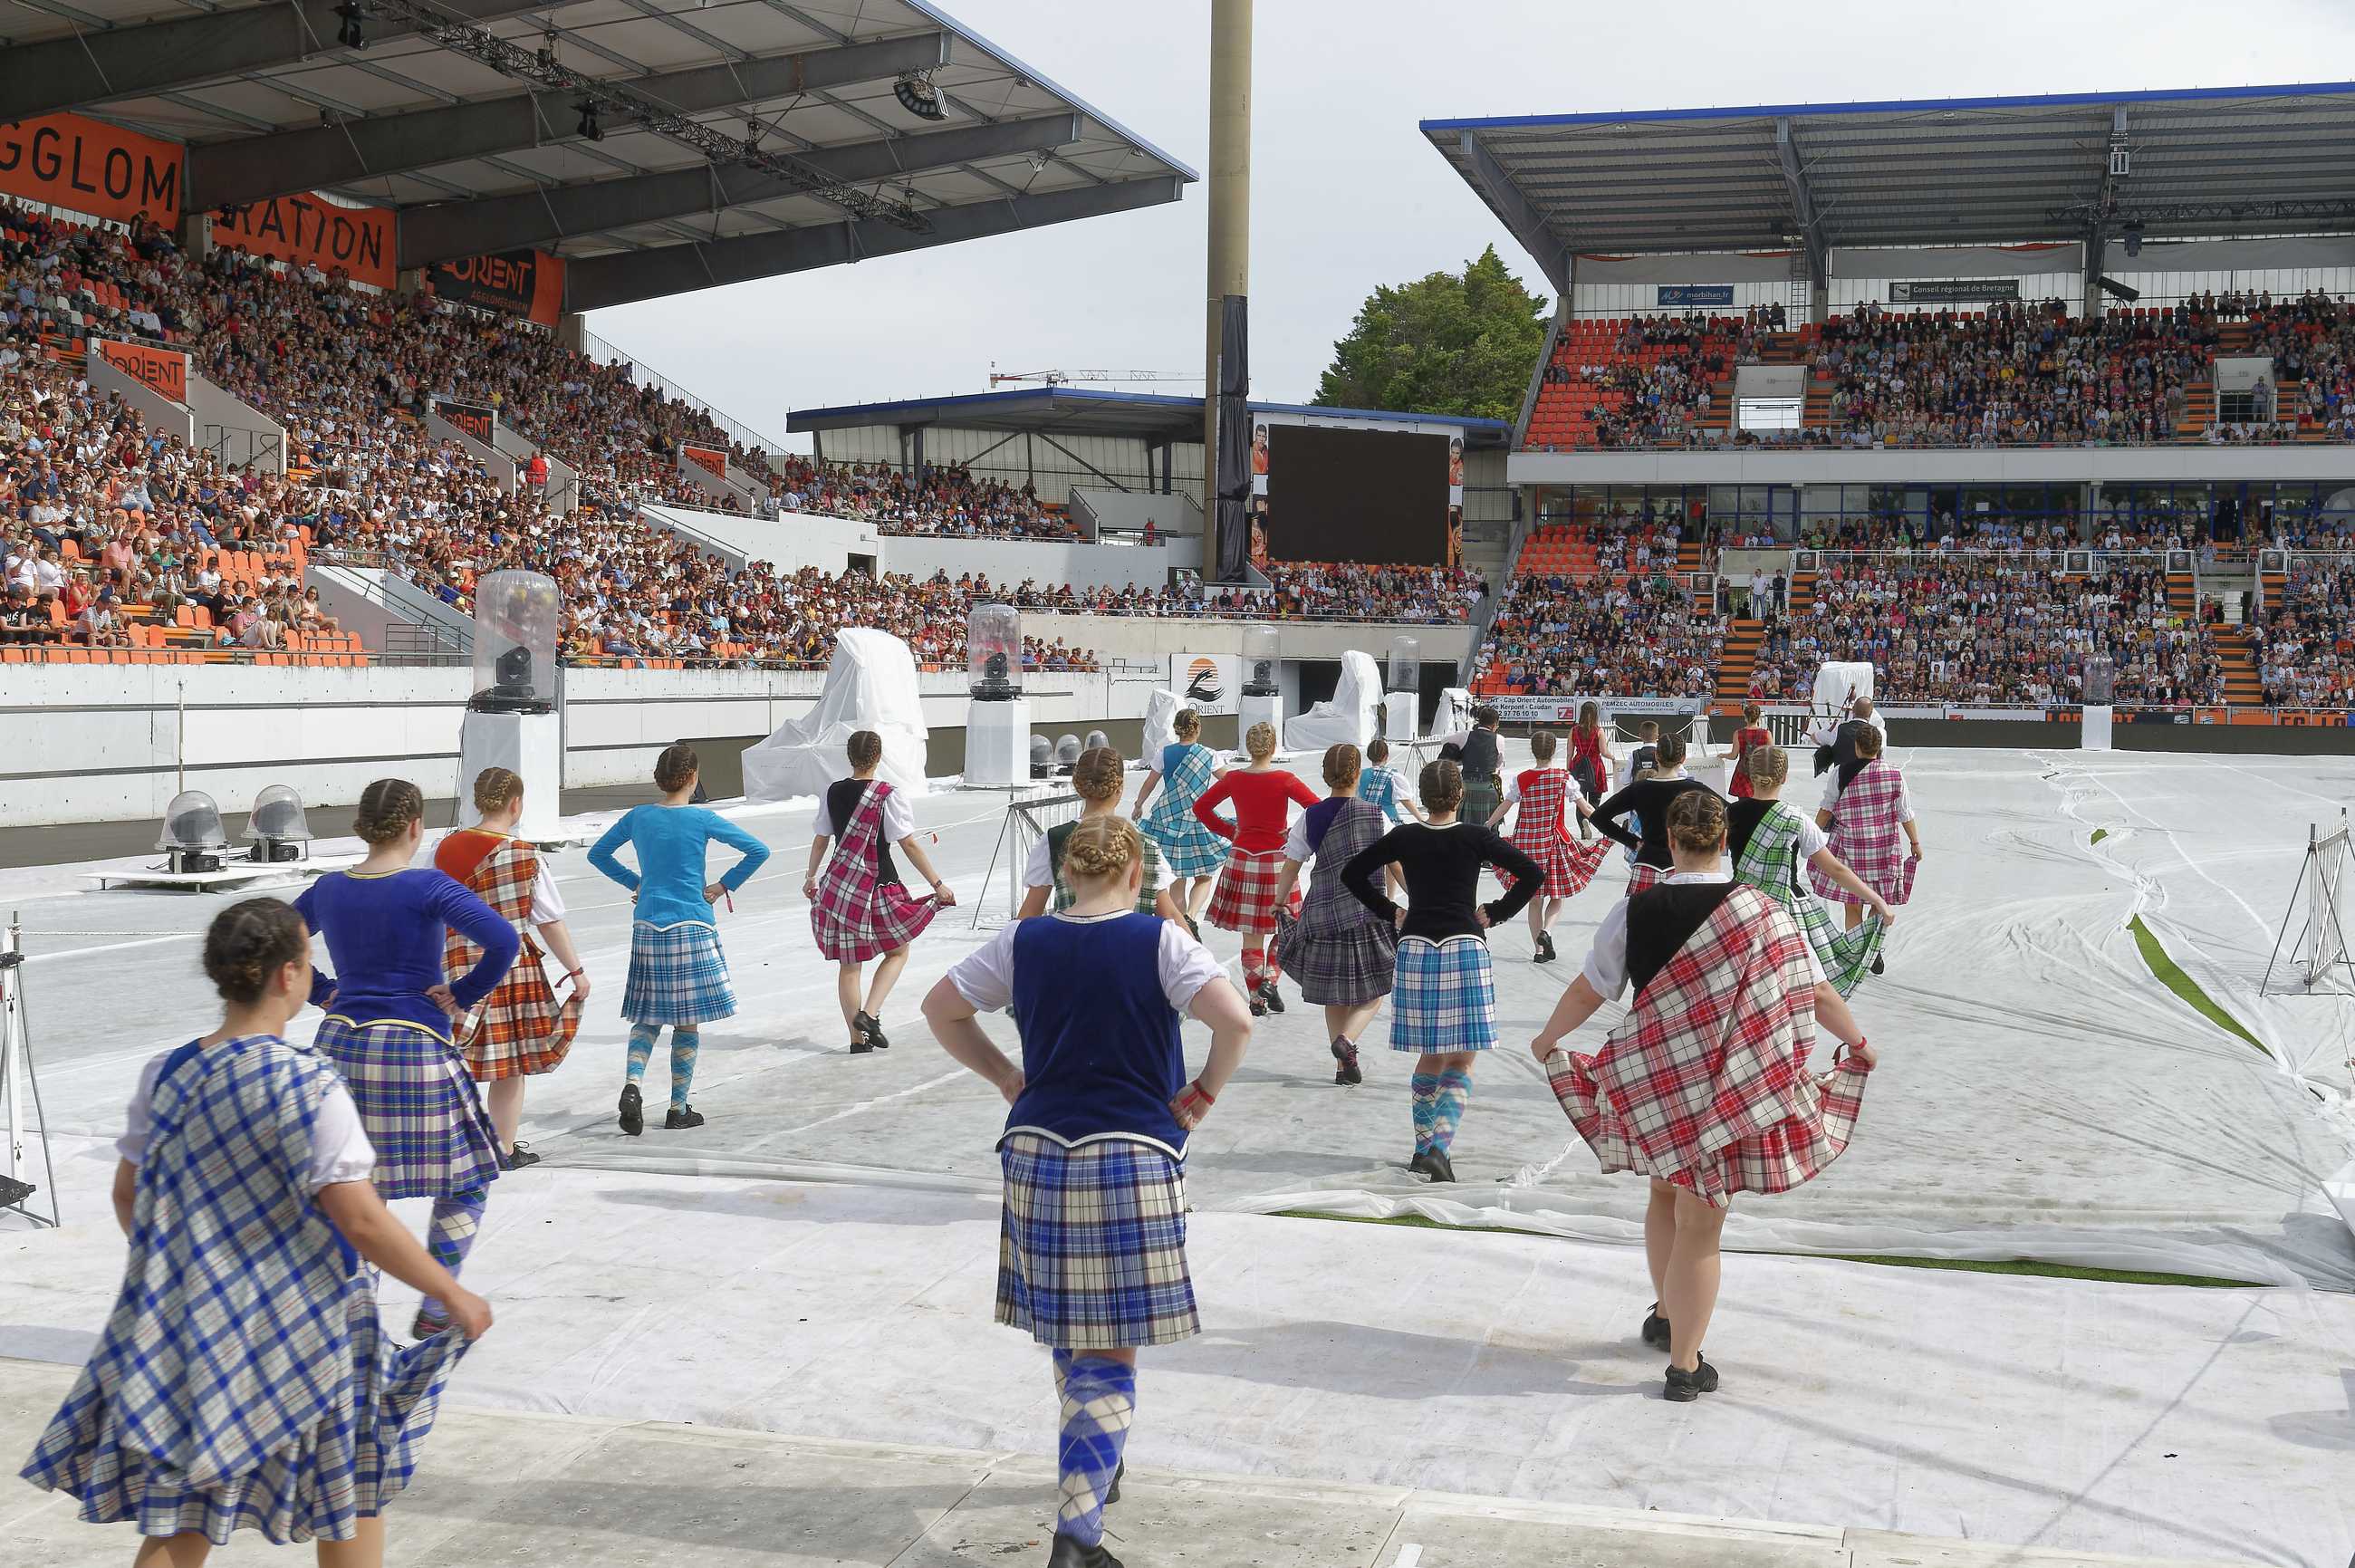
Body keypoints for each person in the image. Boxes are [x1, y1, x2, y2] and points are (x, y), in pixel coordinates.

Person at [20, 899, 492, 1563]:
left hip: (196, 1321)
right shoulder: (313, 1085)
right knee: (350, 1493)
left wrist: (187, 1267)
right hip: (310, 1326)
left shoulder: (168, 1071)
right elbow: (359, 1218)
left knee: (183, 1505)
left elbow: (128, 1193)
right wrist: (451, 1291)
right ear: (287, 977)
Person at [921, 815, 1254, 1568]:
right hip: (1132, 1152)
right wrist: (1202, 1092)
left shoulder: (1023, 939)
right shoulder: (1161, 941)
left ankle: (1096, 1467)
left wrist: (1006, 1076)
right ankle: (1077, 1535)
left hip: (1037, 1148)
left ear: (1069, 873)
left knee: (1071, 1326)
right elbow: (1235, 1022)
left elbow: (940, 1008)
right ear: (1135, 874)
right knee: (1111, 1347)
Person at [1529, 790, 1878, 1402]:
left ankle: (1667, 1313)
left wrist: (1549, 1037)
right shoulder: (1767, 915)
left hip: (1656, 1082)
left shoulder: (1633, 910)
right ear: (1725, 842)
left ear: (1670, 835)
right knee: (1700, 1226)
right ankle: (1685, 1365)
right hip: (1722, 1089)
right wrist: (1858, 1041)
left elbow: (1592, 988)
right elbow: (1816, 993)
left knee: (1663, 1194)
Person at [294, 779, 518, 1341]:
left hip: (339, 1043)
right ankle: (439, 1299)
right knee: (469, 1177)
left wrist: (323, 990)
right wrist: (463, 993)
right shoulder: (428, 887)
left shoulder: (328, 889)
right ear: (416, 826)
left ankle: (355, 1314)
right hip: (414, 1044)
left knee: (357, 1186)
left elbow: (278, 944)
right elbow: (504, 942)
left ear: (360, 827)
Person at [1341, 760, 1544, 1183]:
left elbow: (1352, 873)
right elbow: (1531, 873)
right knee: (1463, 1056)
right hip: (1464, 945)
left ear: (1423, 793)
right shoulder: (1476, 836)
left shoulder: (1404, 836)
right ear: (1460, 795)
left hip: (1415, 945)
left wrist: (1390, 910)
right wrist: (1499, 911)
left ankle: (1420, 1149)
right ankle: (1440, 1148)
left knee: (1429, 1053)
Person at [589, 744, 771, 1130]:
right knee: (687, 1021)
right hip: (692, 923)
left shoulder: (638, 817)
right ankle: (678, 1107)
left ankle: (633, 1083)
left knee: (647, 1014)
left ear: (660, 778)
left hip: (649, 924)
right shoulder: (702, 819)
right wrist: (723, 886)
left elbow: (599, 854)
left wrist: (638, 882)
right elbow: (758, 850)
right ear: (692, 778)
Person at [433, 768, 589, 1171]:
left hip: (453, 963)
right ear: (516, 804)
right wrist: (575, 971)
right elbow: (549, 920)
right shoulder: (524, 855)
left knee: (453, 1060)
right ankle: (502, 1149)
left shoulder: (444, 848)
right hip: (509, 969)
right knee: (509, 1065)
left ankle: (452, 1142)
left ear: (476, 800)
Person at [804, 729, 956, 1052]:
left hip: (840, 888)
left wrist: (811, 877)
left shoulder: (832, 792)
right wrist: (937, 884)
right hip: (879, 887)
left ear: (850, 757)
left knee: (850, 964)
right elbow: (909, 844)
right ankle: (870, 1014)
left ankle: (857, 1041)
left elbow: (821, 839)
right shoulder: (888, 794)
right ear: (878, 756)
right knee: (899, 950)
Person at [1269, 744, 1399, 1086]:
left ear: (1325, 776)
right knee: (1375, 991)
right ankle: (1348, 1042)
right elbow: (1395, 864)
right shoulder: (1376, 815)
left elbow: (1292, 864)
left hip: (1322, 915)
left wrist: (1279, 901)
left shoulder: (1310, 816)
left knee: (1334, 995)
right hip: (1366, 913)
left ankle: (1343, 1068)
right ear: (1358, 774)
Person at [1731, 745, 1893, 996]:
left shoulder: (1728, 814)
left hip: (1740, 909)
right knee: (1812, 986)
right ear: (1784, 777)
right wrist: (1877, 900)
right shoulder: (1796, 820)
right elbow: (1837, 870)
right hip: (1783, 912)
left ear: (1750, 777)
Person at [1192, 720, 1319, 1015]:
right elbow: (1316, 808)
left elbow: (1201, 808)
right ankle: (1271, 981)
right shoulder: (1285, 779)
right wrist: (1294, 833)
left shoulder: (1234, 779)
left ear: (1248, 748)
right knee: (1286, 929)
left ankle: (1256, 998)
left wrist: (1228, 830)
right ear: (1273, 747)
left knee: (1251, 936)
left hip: (1241, 859)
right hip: (1277, 862)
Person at [1019, 746, 1184, 922]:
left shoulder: (1055, 839)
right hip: (1133, 946)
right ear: (1119, 787)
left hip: (1072, 946)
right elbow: (1170, 914)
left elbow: (1029, 914)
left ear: (1077, 785)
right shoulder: (1143, 843)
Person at [1489, 730, 1612, 962]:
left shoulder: (1522, 778)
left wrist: (1487, 824)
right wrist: (1608, 826)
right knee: (1556, 895)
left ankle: (1538, 950)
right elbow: (1586, 808)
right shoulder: (1563, 777)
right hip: (1553, 842)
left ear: (1532, 750)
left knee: (1534, 899)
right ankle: (1548, 931)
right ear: (1554, 750)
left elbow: (1505, 806)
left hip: (1525, 843)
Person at [1813, 726, 1920, 951]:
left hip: (1850, 847)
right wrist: (1915, 842)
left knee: (1852, 905)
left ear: (1857, 746)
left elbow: (1827, 808)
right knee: (1877, 901)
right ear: (1879, 747)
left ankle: (1857, 949)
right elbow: (1905, 813)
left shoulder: (1841, 772)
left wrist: (1811, 834)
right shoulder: (1894, 774)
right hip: (1883, 848)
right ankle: (1873, 948)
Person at [1132, 707, 1227, 928]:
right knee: (1204, 876)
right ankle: (1191, 917)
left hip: (1167, 820)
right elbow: (1229, 781)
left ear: (1177, 729)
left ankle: (1179, 927)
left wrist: (1138, 805)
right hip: (1197, 820)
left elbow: (1150, 783)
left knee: (1177, 879)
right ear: (1198, 728)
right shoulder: (1208, 755)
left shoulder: (1163, 753)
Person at [1590, 733, 1719, 893]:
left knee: (1641, 916)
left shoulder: (1638, 789)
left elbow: (1598, 817)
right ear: (1683, 759)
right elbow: (1729, 813)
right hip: (1684, 864)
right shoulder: (1695, 789)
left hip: (1647, 862)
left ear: (1656, 756)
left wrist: (1631, 841)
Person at [1440, 704, 1507, 831]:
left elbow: (1444, 741)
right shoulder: (1499, 739)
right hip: (1488, 788)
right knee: (1487, 829)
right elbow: (1498, 764)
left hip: (1466, 787)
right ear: (1494, 724)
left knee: (1464, 827)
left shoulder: (1465, 735)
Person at [1567, 701, 1611, 834]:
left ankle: (1582, 828)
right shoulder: (1598, 731)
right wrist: (1613, 757)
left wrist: (1569, 769)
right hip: (1595, 766)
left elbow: (1569, 752)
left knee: (1579, 800)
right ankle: (1590, 819)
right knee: (1594, 801)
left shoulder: (1574, 730)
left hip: (1579, 765)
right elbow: (1604, 751)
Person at [1726, 702, 1773, 800]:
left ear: (1745, 717)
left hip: (1743, 772)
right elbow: (1771, 756)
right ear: (1759, 717)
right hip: (1760, 772)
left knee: (1744, 804)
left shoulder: (1738, 733)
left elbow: (1733, 755)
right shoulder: (1766, 734)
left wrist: (1722, 755)